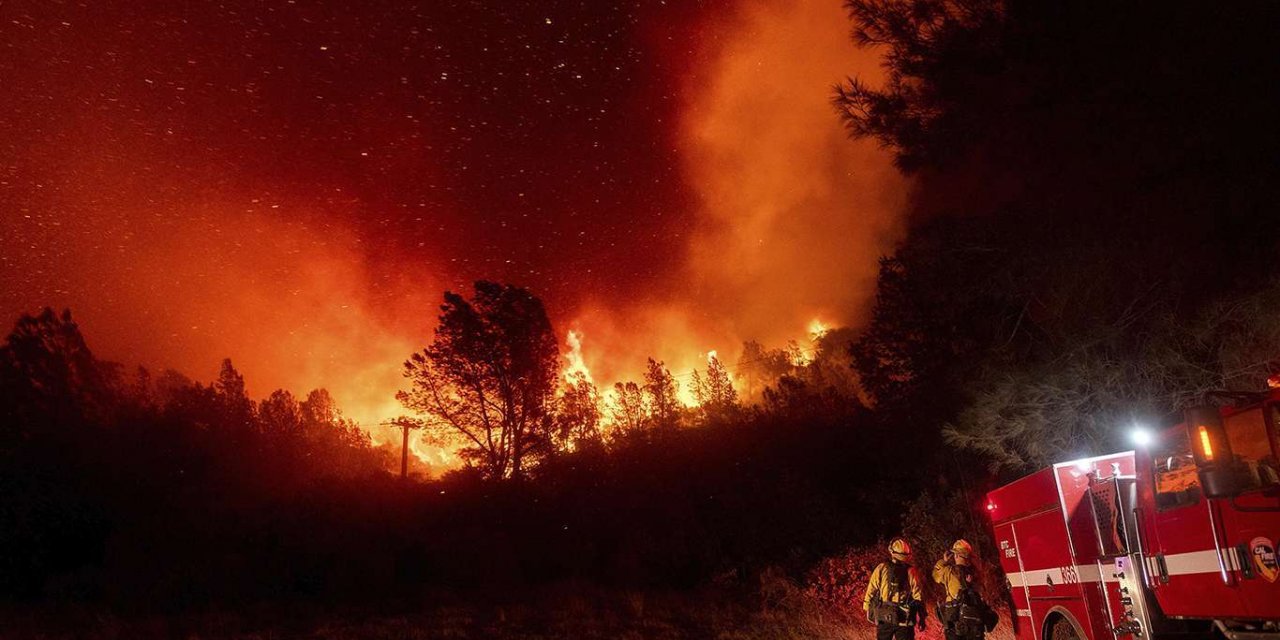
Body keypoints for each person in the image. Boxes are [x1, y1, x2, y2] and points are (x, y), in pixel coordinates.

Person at [865, 537, 927, 640]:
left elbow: (871, 589)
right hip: (905, 619)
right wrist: (922, 617)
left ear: (891, 551)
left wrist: (867, 609)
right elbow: (918, 596)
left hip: (885, 618)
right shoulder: (911, 571)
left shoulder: (881, 568)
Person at [933, 539, 991, 640]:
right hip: (975, 625)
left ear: (956, 555)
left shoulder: (949, 572)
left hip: (955, 624)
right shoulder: (976, 572)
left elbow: (935, 575)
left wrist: (944, 561)